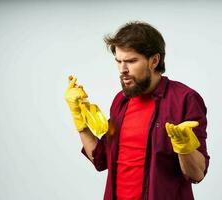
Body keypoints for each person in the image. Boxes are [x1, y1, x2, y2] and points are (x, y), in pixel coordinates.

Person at [64, 21, 210, 200]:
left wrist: (185, 148)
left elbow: (197, 174)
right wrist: (80, 120)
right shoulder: (120, 101)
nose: (122, 70)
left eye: (131, 61)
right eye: (119, 61)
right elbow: (101, 159)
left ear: (154, 60)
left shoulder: (185, 99)